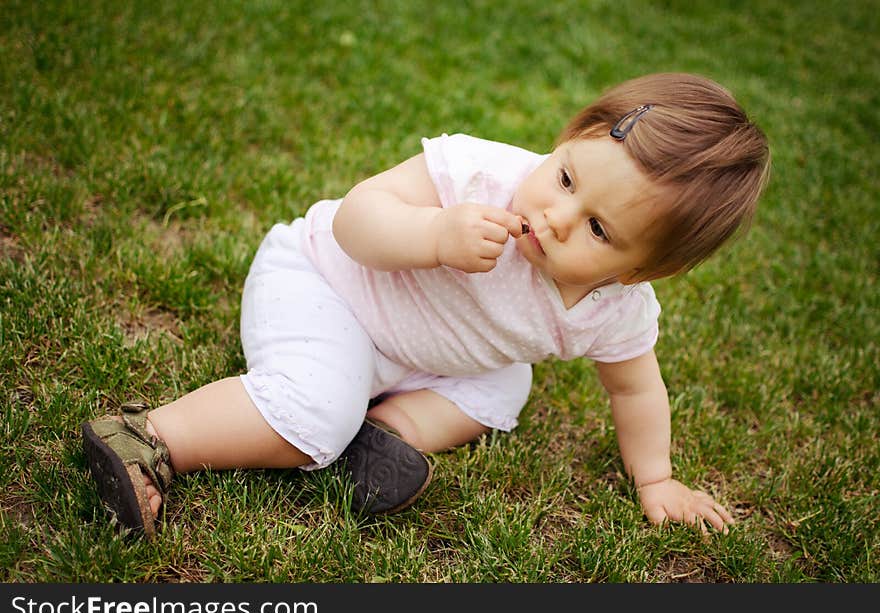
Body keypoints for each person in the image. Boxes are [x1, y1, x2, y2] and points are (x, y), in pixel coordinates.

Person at [82, 72, 770, 539]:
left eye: (598, 229)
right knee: (317, 407)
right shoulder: (480, 174)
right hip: (331, 287)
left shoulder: (615, 311)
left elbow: (637, 389)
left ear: (646, 268)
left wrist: (657, 477)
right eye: (564, 177)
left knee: (506, 384)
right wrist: (433, 234)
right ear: (569, 137)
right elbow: (357, 217)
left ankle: (386, 434)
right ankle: (149, 438)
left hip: (429, 348)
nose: (558, 216)